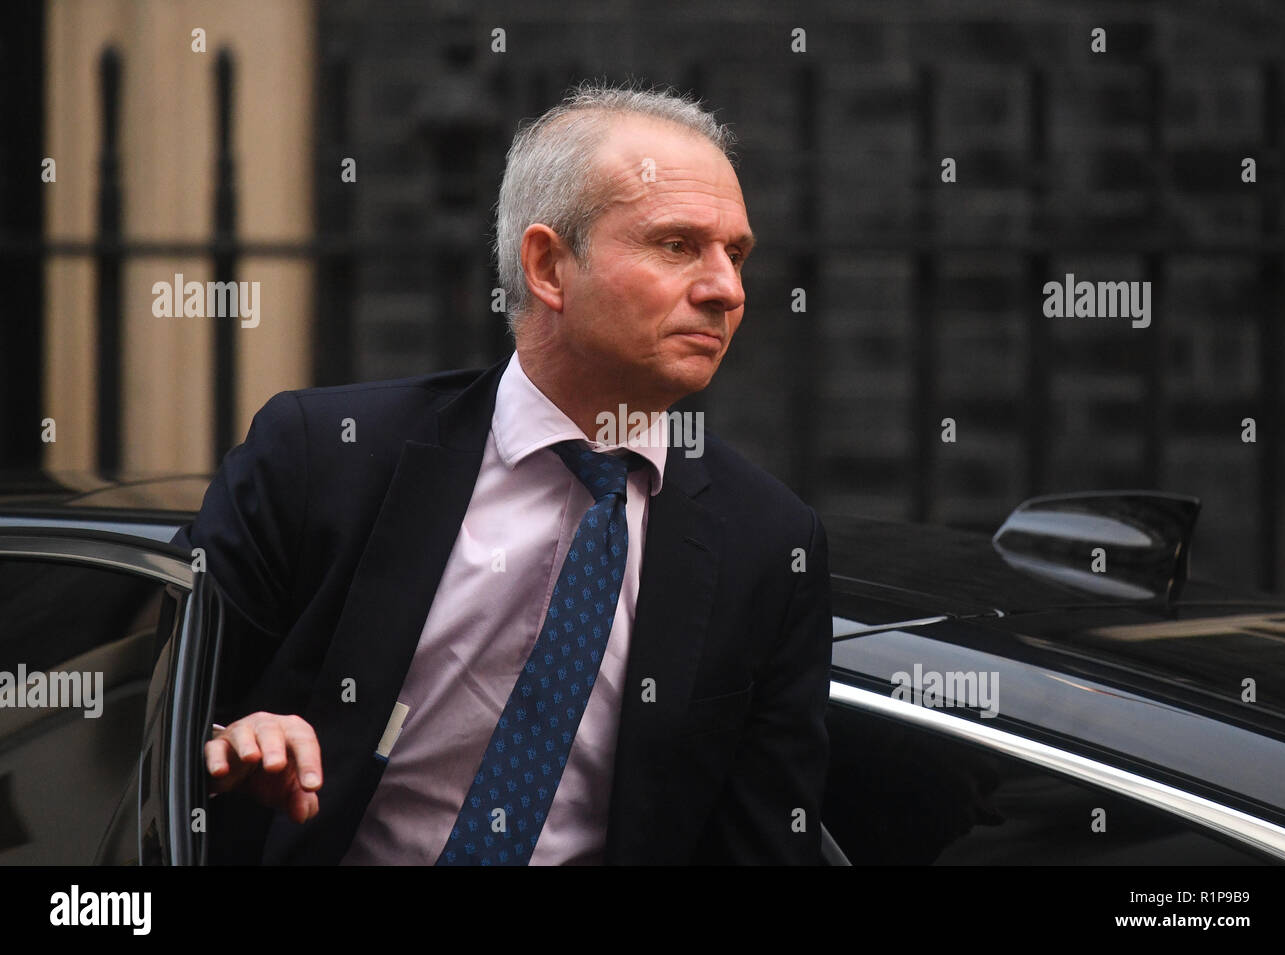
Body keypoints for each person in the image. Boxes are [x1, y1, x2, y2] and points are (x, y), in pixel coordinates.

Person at [175, 80, 832, 865]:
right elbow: (150, 693)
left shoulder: (768, 543)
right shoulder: (324, 455)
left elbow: (763, 841)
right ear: (549, 265)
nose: (726, 288)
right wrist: (228, 738)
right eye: (677, 245)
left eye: (737, 254)